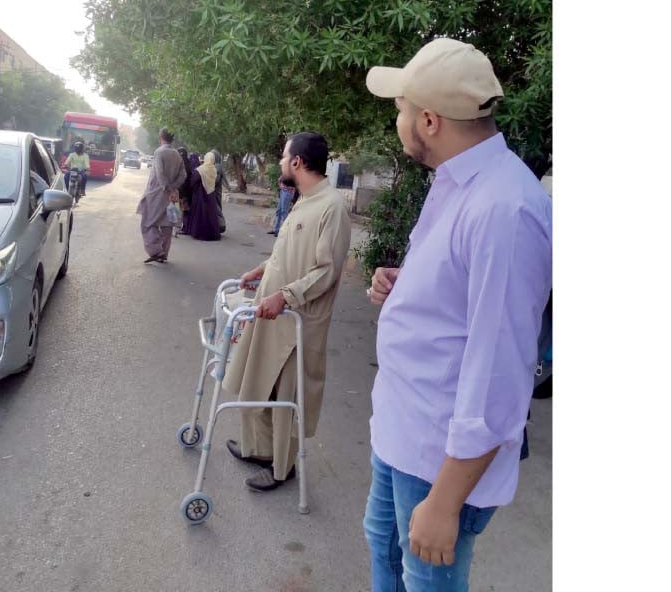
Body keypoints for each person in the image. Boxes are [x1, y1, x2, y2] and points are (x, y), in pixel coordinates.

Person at [361, 38, 552, 591]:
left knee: (425, 581)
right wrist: (405, 287)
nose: (397, 119)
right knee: (384, 550)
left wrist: (445, 504)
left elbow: (501, 374)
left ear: (427, 120)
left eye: (400, 109)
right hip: (402, 432)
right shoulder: (456, 181)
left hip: (439, 463)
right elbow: (461, 298)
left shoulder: (504, 209)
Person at [222, 132, 352, 491]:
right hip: (273, 312)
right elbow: (288, 251)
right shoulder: (304, 199)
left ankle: (283, 468)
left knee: (286, 399)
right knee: (258, 384)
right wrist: (260, 271)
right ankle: (259, 450)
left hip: (299, 323)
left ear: (297, 162)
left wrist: (285, 296)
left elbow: (326, 271)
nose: (280, 162)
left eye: (283, 157)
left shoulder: (332, 207)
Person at [136, 127, 186, 264]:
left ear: (160, 138)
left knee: (147, 222)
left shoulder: (159, 152)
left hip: (157, 193)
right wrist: (173, 188)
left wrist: (167, 188)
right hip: (173, 195)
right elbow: (183, 175)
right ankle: (164, 254)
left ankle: (156, 251)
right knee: (167, 225)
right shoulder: (177, 154)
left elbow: (159, 173)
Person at [188, 152, 221, 241]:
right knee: (210, 214)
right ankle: (212, 234)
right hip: (210, 194)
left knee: (200, 214)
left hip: (200, 195)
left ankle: (198, 232)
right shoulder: (213, 169)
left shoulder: (200, 170)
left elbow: (193, 182)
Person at [177, 147, 194, 235]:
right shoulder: (189, 164)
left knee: (181, 210)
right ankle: (185, 228)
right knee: (185, 210)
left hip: (181, 192)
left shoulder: (179, 164)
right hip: (187, 192)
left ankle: (181, 228)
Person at [210, 149, 227, 233]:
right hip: (217, 191)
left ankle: (220, 225)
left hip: (215, 191)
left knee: (216, 208)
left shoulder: (216, 166)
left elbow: (216, 180)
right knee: (218, 207)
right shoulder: (219, 165)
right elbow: (224, 180)